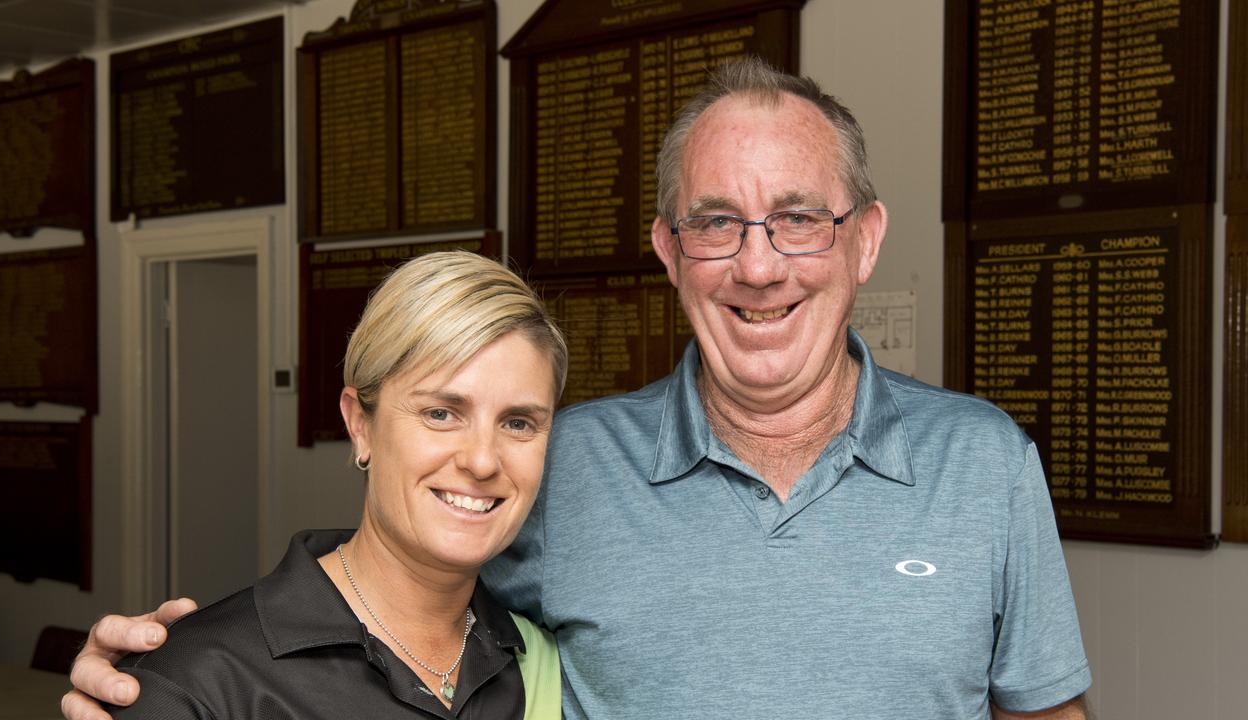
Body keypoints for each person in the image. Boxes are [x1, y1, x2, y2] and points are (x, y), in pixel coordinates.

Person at [64, 58, 1090, 719]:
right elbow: (389, 598)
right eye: (715, 222)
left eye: (796, 218)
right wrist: (171, 677)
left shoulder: (984, 462)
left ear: (860, 240)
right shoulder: (569, 464)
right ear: (667, 250)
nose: (759, 264)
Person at [82, 251, 565, 719]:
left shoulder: (541, 668)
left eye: (519, 423)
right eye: (441, 413)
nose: (482, 460)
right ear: (360, 425)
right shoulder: (197, 681)